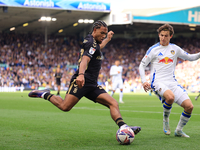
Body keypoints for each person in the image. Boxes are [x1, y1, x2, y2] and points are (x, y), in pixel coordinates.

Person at [28, 20, 141, 135]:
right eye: (102, 33)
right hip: (81, 82)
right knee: (65, 106)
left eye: (105, 34)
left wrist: (107, 39)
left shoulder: (94, 43)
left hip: (92, 84)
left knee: (113, 103)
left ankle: (124, 127)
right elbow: (85, 59)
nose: (103, 36)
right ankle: (44, 93)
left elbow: (98, 49)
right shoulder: (91, 43)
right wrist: (81, 75)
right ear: (95, 30)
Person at [139, 24, 200, 138]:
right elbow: (142, 66)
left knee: (189, 107)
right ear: (159, 35)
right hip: (157, 81)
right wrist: (144, 81)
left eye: (166, 36)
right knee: (170, 97)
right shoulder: (153, 50)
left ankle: (179, 130)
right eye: (161, 35)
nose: (163, 38)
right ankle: (166, 119)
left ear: (170, 36)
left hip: (172, 82)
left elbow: (190, 57)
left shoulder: (175, 49)